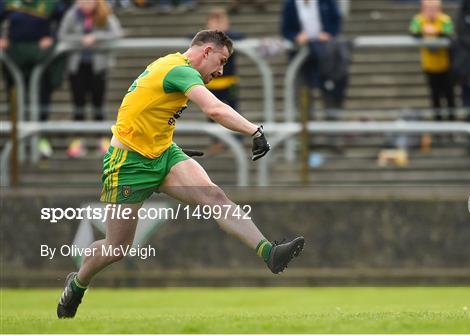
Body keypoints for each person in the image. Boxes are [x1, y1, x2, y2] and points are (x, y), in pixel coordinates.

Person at [56, 30, 305, 318]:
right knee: (116, 249)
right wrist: (254, 130)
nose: (221, 70)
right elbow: (214, 109)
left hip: (163, 153)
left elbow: (147, 111)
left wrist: (158, 140)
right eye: (221, 61)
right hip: (128, 165)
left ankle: (269, 253)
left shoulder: (172, 67)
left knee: (214, 196)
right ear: (206, 51)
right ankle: (77, 284)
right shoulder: (179, 70)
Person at [0, 0, 69, 157]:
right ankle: (17, 139)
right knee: (15, 97)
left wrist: (52, 37)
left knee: (42, 96)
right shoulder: (9, 3)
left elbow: (64, 19)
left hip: (41, 57)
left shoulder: (50, 3)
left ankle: (40, 137)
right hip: (14, 56)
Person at [58, 0, 123, 158]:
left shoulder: (104, 13)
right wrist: (81, 40)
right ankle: (78, 140)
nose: (86, 4)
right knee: (78, 104)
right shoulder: (72, 15)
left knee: (98, 103)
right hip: (77, 67)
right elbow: (62, 35)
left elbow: (116, 33)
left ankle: (102, 139)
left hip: (98, 67)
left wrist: (95, 38)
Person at [204, 7, 244, 155]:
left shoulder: (231, 38)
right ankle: (216, 142)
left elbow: (240, 37)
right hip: (211, 83)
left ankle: (238, 140)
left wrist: (223, 33)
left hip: (229, 82)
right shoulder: (203, 40)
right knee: (210, 114)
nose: (217, 25)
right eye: (214, 21)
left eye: (221, 21)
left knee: (234, 110)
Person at [410, 0, 456, 121]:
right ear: (423, 9)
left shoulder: (445, 19)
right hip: (429, 65)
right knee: (435, 97)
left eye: (434, 8)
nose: (431, 11)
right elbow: (413, 32)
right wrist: (424, 31)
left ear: (439, 9)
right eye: (428, 8)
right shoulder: (418, 19)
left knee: (450, 96)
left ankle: (452, 123)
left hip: (446, 64)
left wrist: (436, 32)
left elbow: (449, 33)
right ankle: (438, 125)